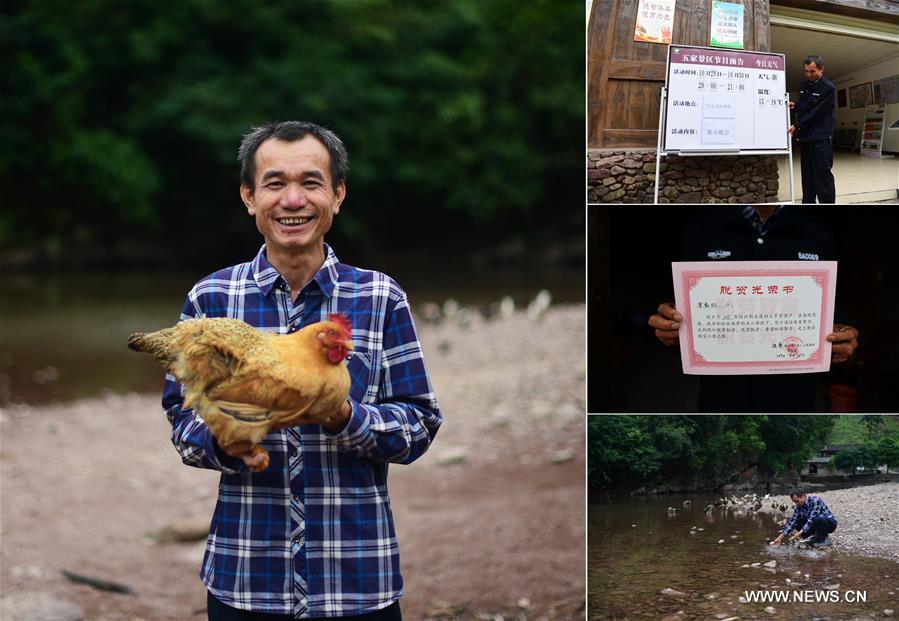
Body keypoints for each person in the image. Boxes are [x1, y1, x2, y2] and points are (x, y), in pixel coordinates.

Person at [161, 121, 442, 620]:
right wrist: (227, 438)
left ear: (338, 195)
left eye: (311, 183)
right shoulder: (211, 299)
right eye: (275, 184)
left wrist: (343, 417)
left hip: (357, 581)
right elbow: (183, 424)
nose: (293, 200)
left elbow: (419, 425)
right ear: (249, 198)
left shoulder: (380, 298)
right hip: (245, 579)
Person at [647, 204, 859, 412]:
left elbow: (834, 304)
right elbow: (677, 302)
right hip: (721, 396)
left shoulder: (817, 233)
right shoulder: (700, 229)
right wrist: (669, 322)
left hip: (793, 397)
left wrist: (840, 335)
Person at [788, 55, 836, 204]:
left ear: (821, 69)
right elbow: (806, 106)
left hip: (820, 139)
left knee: (822, 175)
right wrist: (795, 106)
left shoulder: (828, 88)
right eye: (806, 71)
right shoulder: (805, 85)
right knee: (807, 176)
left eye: (812, 71)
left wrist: (797, 125)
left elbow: (816, 112)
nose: (809, 74)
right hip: (806, 138)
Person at [770, 487, 837, 547]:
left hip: (829, 524)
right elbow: (792, 522)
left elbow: (812, 518)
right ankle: (817, 537)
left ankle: (824, 540)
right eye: (794, 502)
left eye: (797, 501)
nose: (796, 503)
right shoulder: (798, 507)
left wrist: (800, 532)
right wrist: (779, 538)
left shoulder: (815, 500)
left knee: (817, 519)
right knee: (797, 523)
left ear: (803, 496)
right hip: (816, 524)